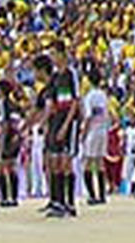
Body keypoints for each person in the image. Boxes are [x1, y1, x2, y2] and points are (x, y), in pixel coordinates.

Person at [44, 43, 80, 217]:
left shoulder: (71, 74)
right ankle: (58, 202)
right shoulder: (55, 77)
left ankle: (70, 203)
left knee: (66, 163)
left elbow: (75, 101)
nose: (52, 57)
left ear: (62, 54)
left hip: (69, 122)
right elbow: (52, 102)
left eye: (53, 53)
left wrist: (67, 124)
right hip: (57, 121)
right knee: (56, 162)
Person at [81, 66, 114, 205]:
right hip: (102, 129)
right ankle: (102, 195)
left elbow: (88, 116)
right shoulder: (103, 95)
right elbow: (107, 114)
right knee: (100, 162)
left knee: (88, 163)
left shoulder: (89, 96)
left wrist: (84, 133)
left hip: (93, 130)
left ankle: (92, 195)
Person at [0, 79, 23, 208]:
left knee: (1, 167)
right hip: (13, 137)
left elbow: (5, 124)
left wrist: (1, 141)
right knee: (11, 166)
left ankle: (5, 197)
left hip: (7, 138)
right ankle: (14, 197)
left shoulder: (3, 104)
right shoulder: (14, 105)